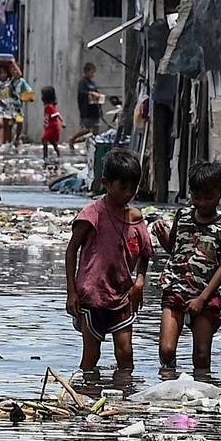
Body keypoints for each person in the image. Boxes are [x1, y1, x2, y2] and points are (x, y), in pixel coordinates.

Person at [65, 148, 152, 372]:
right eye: (123, 186)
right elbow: (71, 250)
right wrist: (71, 292)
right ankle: (85, 397)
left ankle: (124, 398)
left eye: (133, 187)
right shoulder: (92, 214)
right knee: (91, 356)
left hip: (122, 295)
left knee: (125, 354)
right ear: (106, 182)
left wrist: (140, 282)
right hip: (92, 295)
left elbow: (145, 253)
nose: (128, 192)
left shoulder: (135, 219)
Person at [152, 161, 221, 373]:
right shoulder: (182, 216)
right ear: (190, 193)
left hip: (205, 295)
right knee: (167, 350)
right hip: (175, 289)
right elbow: (174, 248)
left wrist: (202, 299)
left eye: (208, 197)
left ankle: (202, 392)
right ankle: (168, 382)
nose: (202, 202)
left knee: (201, 356)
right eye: (197, 197)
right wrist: (162, 238)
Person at [67, 63, 102, 150]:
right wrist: (90, 93)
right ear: (86, 72)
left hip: (95, 109)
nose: (93, 74)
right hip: (87, 110)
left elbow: (96, 93)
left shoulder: (92, 83)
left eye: (94, 72)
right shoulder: (83, 82)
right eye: (92, 72)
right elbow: (81, 93)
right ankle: (72, 139)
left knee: (96, 130)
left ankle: (94, 147)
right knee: (86, 129)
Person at [0, 63, 21, 145]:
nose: (3, 75)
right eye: (1, 73)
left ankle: (7, 142)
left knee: (8, 125)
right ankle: (0, 142)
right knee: (0, 124)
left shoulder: (10, 83)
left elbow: (19, 74)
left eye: (4, 73)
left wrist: (13, 62)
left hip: (9, 106)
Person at [40, 86, 63, 165]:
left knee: (44, 139)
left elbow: (57, 114)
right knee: (53, 142)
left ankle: (45, 156)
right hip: (50, 126)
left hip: (52, 126)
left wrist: (63, 121)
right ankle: (59, 155)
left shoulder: (50, 107)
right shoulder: (48, 106)